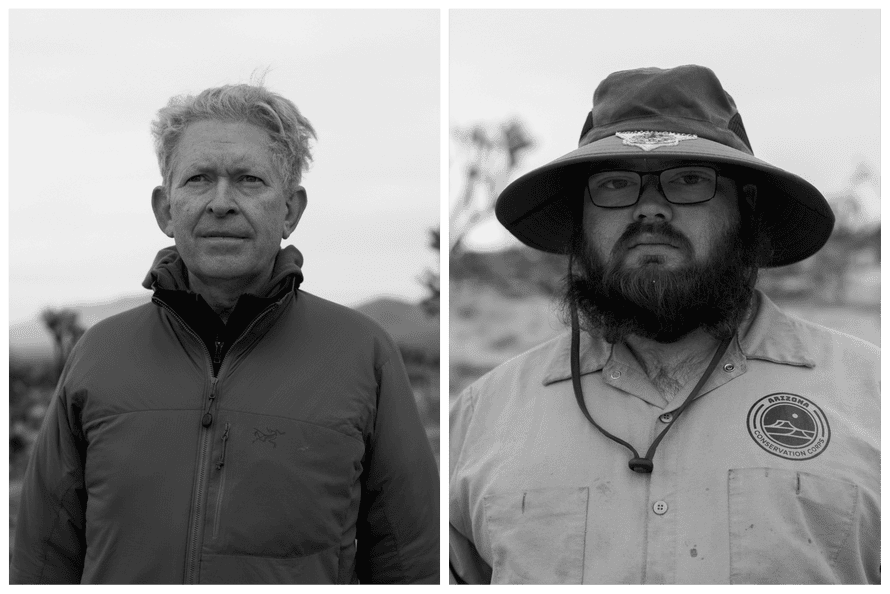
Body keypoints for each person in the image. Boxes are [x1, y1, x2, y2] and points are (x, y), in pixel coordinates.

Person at [448, 65, 880, 585]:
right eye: (614, 184)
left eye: (689, 180)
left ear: (745, 205)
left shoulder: (869, 396)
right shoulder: (480, 418)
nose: (650, 209)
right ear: (581, 218)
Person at [12, 83, 439, 585]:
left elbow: (413, 566)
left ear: (290, 210)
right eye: (197, 179)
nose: (221, 203)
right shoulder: (98, 354)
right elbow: (43, 561)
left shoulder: (363, 355)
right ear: (165, 209)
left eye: (249, 180)